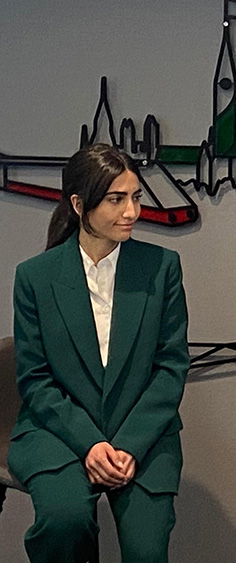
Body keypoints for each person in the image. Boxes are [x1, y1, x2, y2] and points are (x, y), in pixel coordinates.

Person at [8, 144, 190, 563]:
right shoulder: (35, 277)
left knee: (147, 553)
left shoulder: (162, 267)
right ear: (78, 204)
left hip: (141, 434)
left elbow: (171, 368)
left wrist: (129, 444)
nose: (131, 211)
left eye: (136, 197)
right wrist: (91, 444)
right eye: (116, 199)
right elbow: (35, 380)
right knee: (64, 521)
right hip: (58, 433)